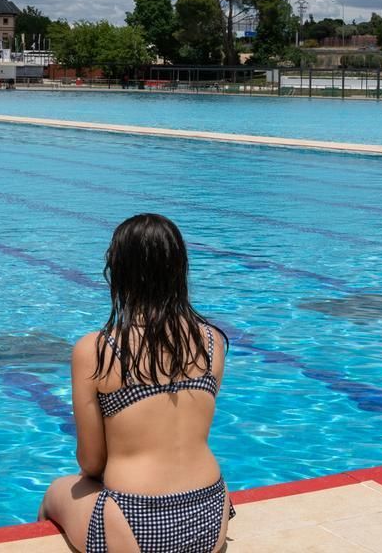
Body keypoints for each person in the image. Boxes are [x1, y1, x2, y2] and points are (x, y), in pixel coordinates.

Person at [41, 214, 232, 553]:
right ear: (179, 269)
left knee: (57, 492)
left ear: (119, 272)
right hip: (209, 514)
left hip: (134, 520)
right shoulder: (212, 341)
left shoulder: (97, 350)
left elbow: (91, 463)